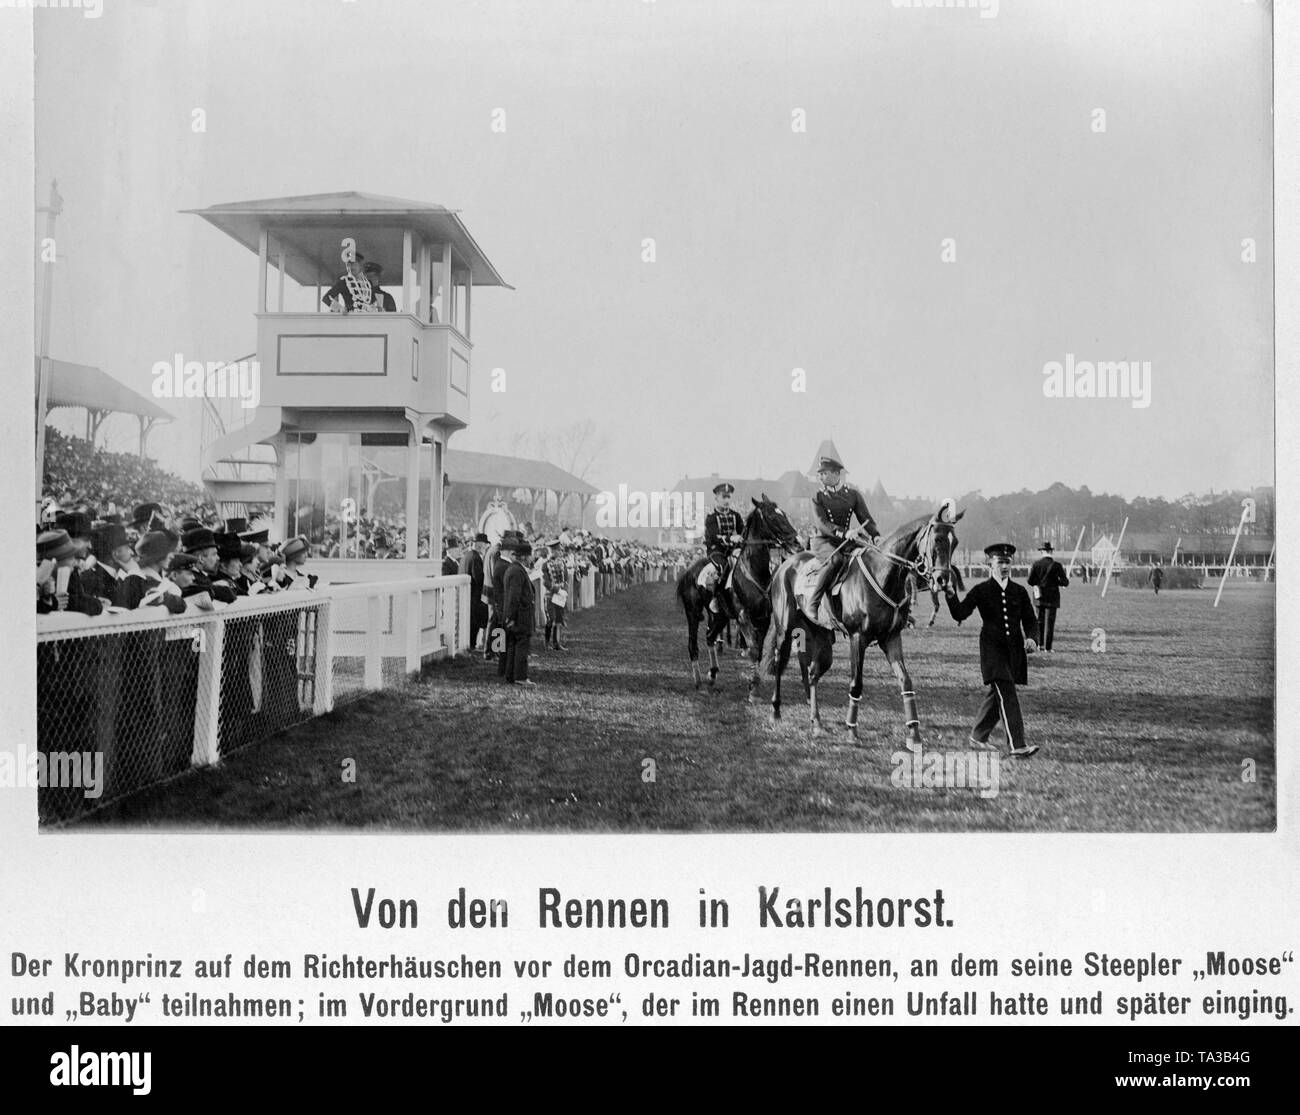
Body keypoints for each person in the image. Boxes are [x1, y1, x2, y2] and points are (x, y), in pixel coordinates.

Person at [944, 543, 1040, 758]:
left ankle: (978, 737)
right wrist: (950, 594)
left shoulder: (1020, 591)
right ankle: (1018, 745)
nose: (1004, 566)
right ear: (990, 564)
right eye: (1000, 562)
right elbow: (960, 614)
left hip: (1014, 653)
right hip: (992, 651)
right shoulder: (981, 590)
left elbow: (1031, 621)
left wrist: (1033, 639)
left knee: (997, 697)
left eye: (1007, 562)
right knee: (1007, 694)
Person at [807, 456, 879, 623]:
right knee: (836, 560)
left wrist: (875, 535)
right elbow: (822, 523)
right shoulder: (817, 497)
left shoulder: (853, 495)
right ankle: (814, 602)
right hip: (824, 541)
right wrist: (844, 532)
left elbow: (865, 518)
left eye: (823, 473)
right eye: (820, 474)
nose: (820, 477)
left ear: (836, 474)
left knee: (870, 556)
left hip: (847, 541)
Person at [700, 482, 745, 615]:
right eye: (723, 497)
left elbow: (742, 532)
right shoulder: (711, 518)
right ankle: (716, 598)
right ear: (717, 498)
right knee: (723, 567)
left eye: (728, 497)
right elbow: (713, 536)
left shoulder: (736, 516)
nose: (726, 500)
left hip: (733, 550)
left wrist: (742, 539)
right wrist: (730, 538)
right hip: (716, 550)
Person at [36, 529, 104, 616]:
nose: (75, 563)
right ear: (53, 562)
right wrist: (53, 603)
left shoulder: (70, 577)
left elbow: (81, 601)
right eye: (71, 558)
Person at [500, 535, 537, 686]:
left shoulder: (514, 569)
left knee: (512, 646)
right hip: (520, 616)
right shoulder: (517, 571)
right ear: (524, 557)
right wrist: (511, 616)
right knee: (521, 646)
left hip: (516, 615)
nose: (531, 558)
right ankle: (521, 677)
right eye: (530, 556)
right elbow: (514, 596)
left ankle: (511, 675)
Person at [1027, 541, 1069, 653]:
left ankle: (1040, 645)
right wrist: (1056, 582)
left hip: (1039, 596)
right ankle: (1048, 647)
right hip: (1053, 597)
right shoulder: (1057, 565)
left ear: (1042, 551)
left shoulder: (1036, 564)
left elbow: (1030, 581)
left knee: (1039, 621)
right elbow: (1065, 582)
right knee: (1050, 623)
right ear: (1051, 551)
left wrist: (1039, 584)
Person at [459, 532, 489, 651]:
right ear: (481, 545)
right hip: (474, 597)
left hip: (466, 595)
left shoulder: (466, 556)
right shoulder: (476, 558)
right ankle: (472, 646)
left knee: (469, 623)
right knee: (474, 623)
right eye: (485, 545)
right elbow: (478, 579)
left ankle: (470, 645)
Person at [541, 541, 570, 650]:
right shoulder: (545, 564)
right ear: (551, 551)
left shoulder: (563, 563)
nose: (558, 552)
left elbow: (566, 579)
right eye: (556, 550)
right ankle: (547, 642)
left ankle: (557, 643)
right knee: (550, 619)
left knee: (559, 619)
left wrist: (565, 590)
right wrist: (557, 589)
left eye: (559, 550)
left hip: (561, 595)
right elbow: (546, 582)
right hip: (550, 595)